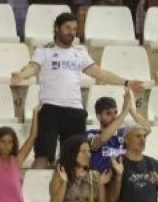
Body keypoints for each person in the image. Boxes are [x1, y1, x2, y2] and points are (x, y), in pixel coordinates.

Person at [10, 13, 144, 168]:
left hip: (75, 111)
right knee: (43, 155)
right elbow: (33, 67)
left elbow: (99, 72)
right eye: (67, 28)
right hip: (50, 109)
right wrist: (22, 75)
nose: (71, 32)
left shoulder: (80, 52)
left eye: (74, 29)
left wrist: (126, 82)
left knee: (75, 159)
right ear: (57, 28)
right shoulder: (44, 50)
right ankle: (34, 190)